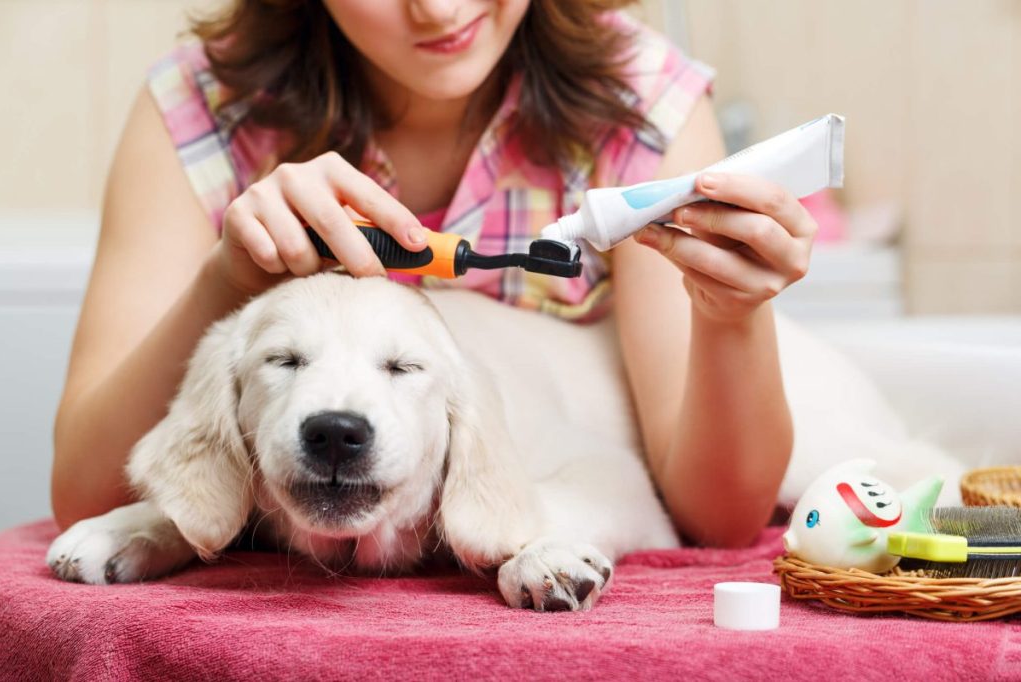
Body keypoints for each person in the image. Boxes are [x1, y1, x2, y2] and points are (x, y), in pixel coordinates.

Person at [51, 0, 817, 548]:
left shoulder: (643, 101)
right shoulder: (200, 110)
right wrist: (229, 278)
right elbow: (84, 496)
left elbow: (716, 522)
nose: (438, 10)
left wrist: (729, 313)